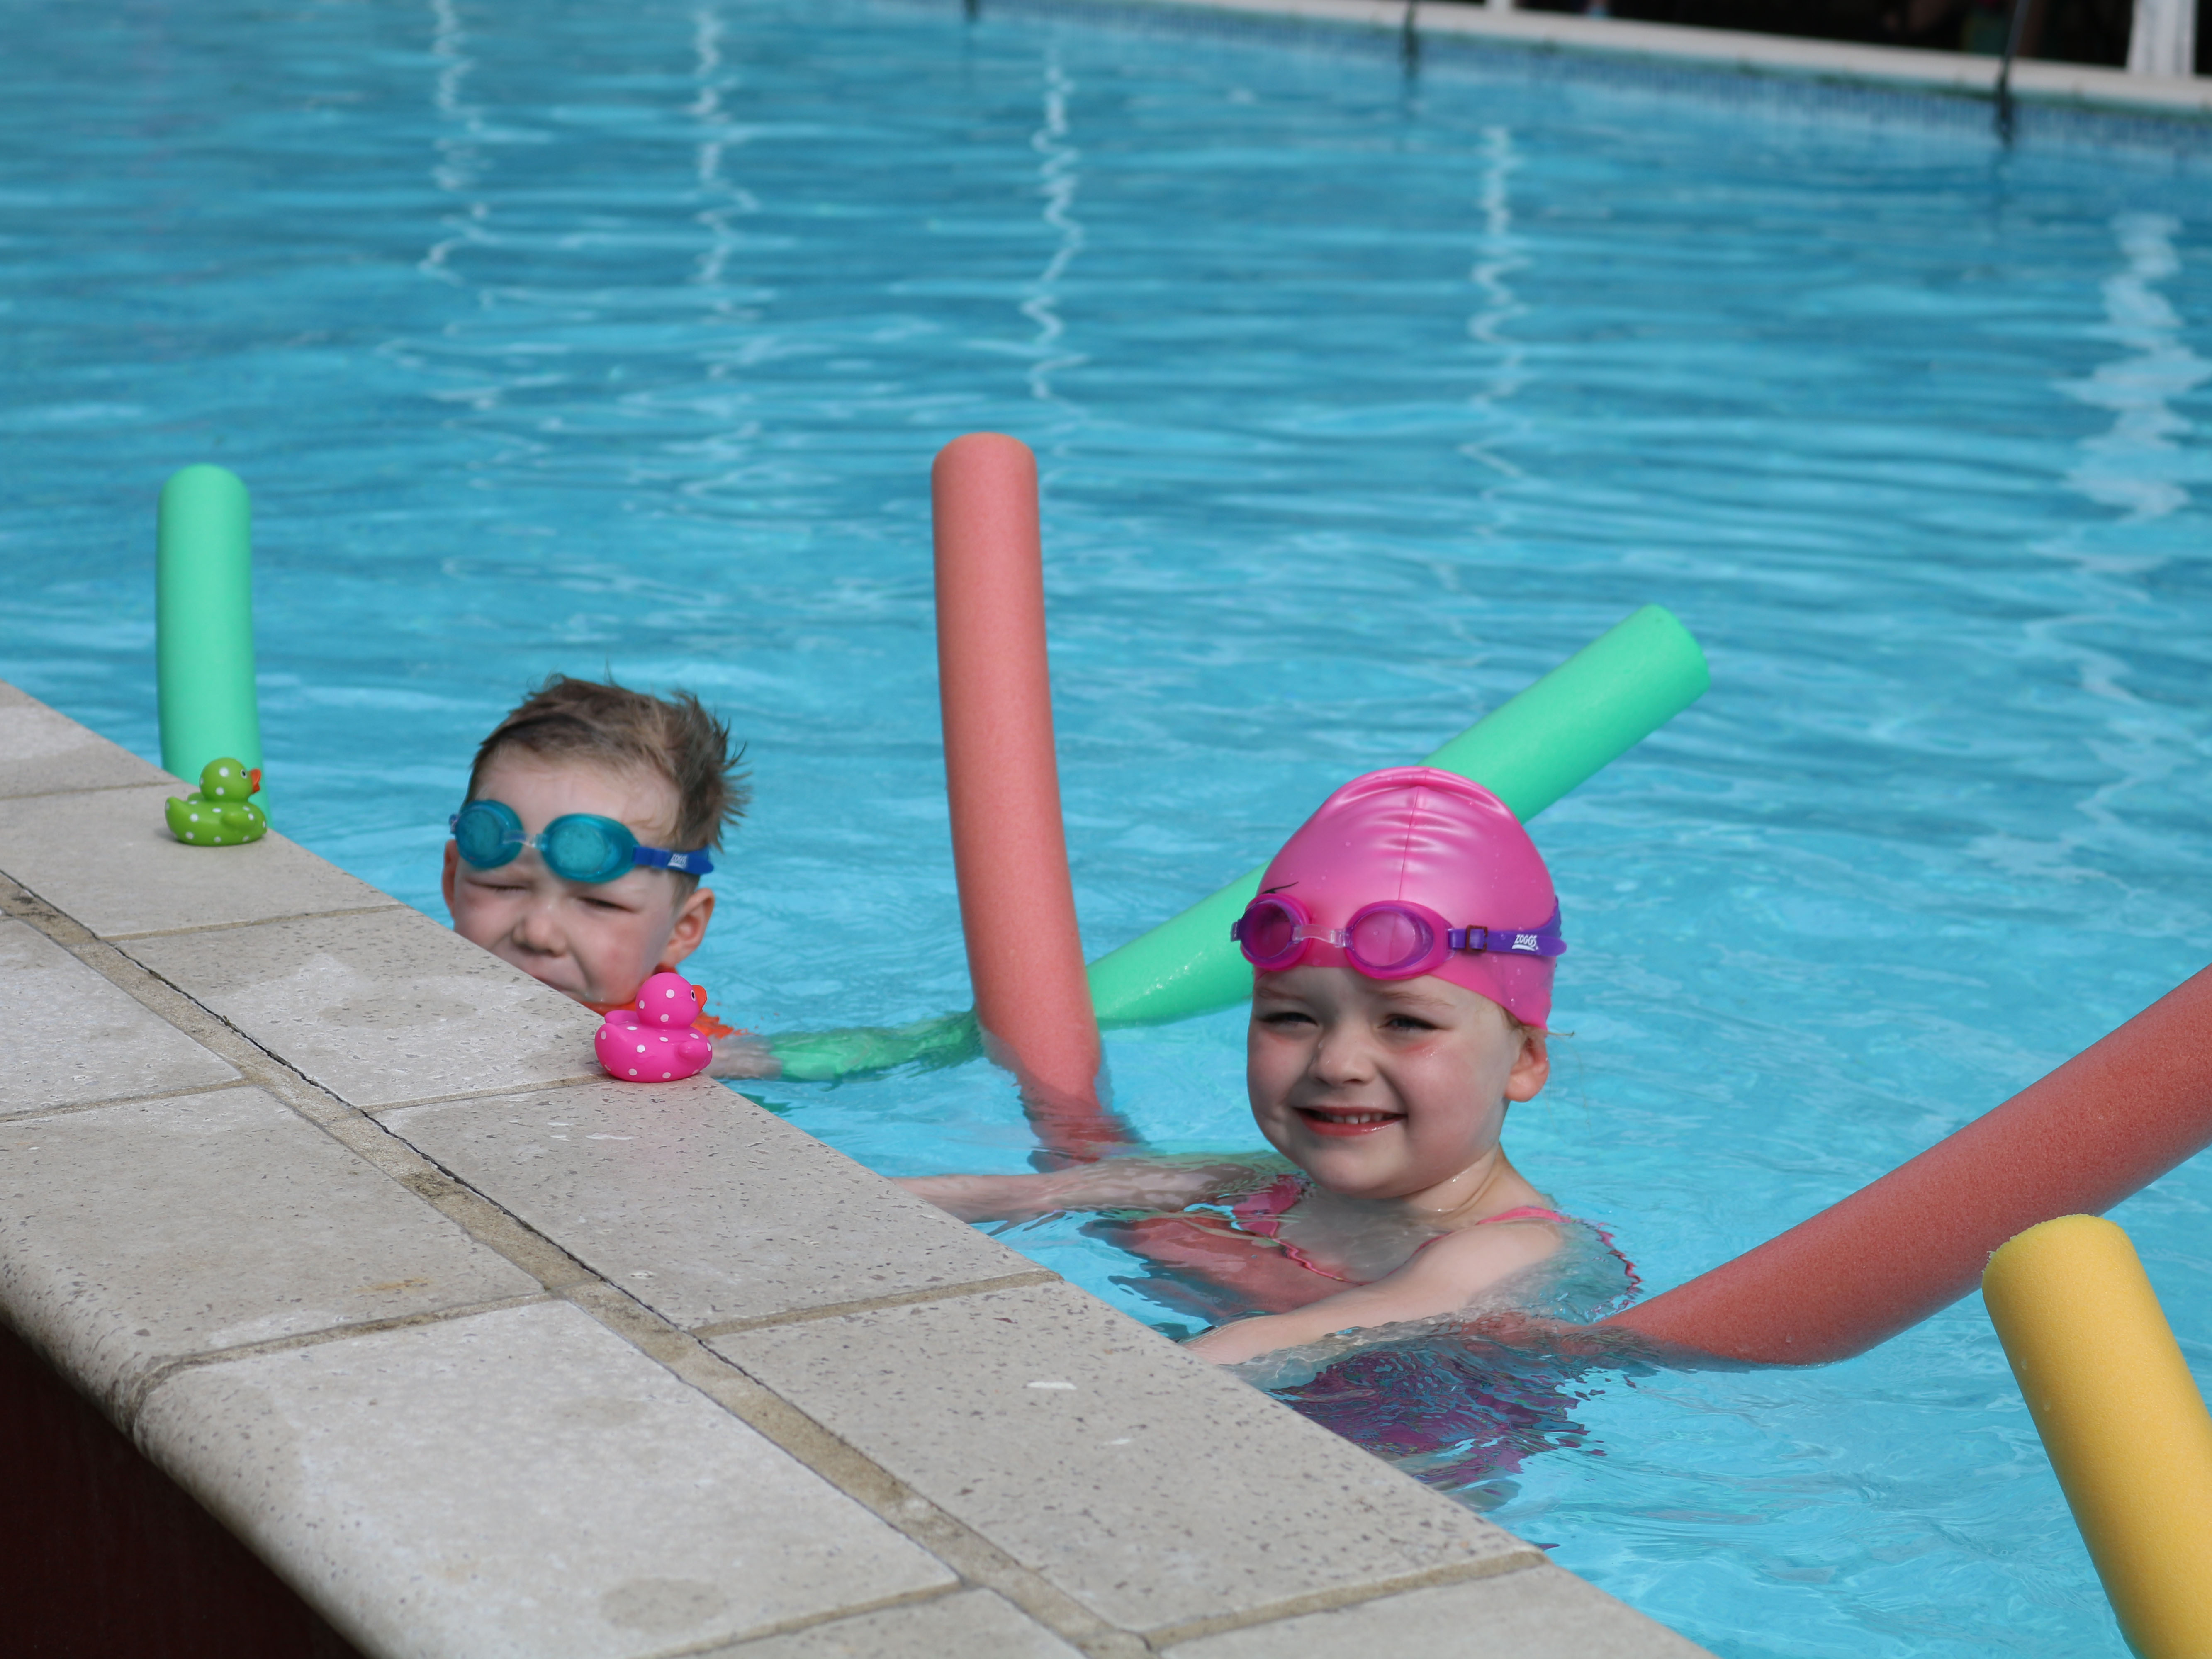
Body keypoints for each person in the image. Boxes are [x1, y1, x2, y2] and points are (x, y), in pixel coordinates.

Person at [899, 766, 1625, 1367]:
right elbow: (1014, 1195)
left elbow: (1323, 1331)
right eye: (1291, 1017)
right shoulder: (1253, 1184)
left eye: (1404, 1023)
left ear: (1524, 1061)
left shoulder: (1508, 1247)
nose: (1337, 1062)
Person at [443, 676, 755, 1060]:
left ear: (681, 930)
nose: (538, 934)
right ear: (452, 880)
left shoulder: (684, 1046)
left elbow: (785, 1060)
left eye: (598, 903)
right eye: (505, 887)